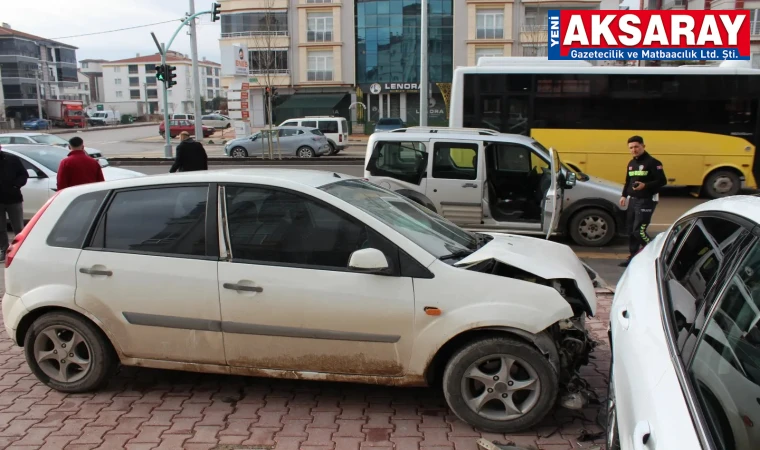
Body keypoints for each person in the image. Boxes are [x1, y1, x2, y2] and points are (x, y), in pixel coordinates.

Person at [619, 135, 667, 267]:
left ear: (643, 146)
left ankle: (655, 255)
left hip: (646, 201)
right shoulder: (631, 163)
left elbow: (662, 181)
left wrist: (645, 186)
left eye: (636, 147)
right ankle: (633, 257)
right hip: (633, 201)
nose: (634, 150)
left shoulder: (653, 163)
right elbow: (628, 181)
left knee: (639, 231)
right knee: (630, 231)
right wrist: (624, 195)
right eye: (631, 148)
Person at [0, 144, 28, 259]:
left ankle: (20, 249)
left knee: (18, 227)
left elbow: (23, 174)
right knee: (0, 228)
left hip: (13, 198)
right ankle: (4, 249)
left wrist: (16, 185)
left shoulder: (12, 159)